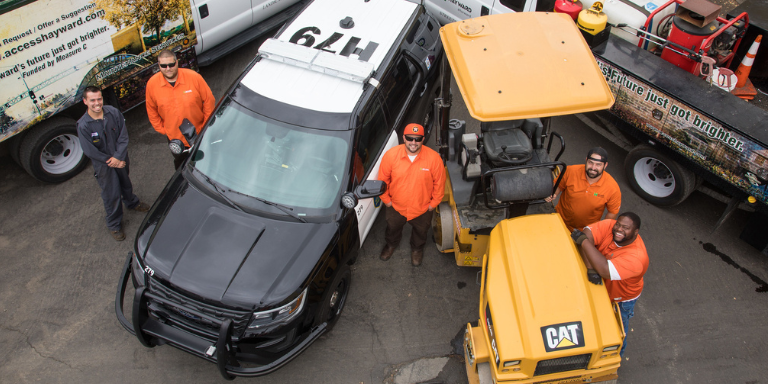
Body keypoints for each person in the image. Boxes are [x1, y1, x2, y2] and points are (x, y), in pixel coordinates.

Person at [76, 86, 150, 241]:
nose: (97, 103)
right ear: (85, 101)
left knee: (125, 183)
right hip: (104, 166)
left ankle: (131, 203)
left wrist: (118, 157)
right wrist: (112, 161)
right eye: (92, 100)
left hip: (121, 158)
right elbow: (90, 151)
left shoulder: (113, 113)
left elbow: (123, 136)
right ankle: (114, 224)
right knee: (111, 194)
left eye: (99, 99)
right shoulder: (83, 125)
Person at [571, 212, 649, 358]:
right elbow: (587, 233)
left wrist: (584, 242)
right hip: (603, 286)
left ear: (636, 232)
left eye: (625, 228)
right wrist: (590, 268)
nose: (619, 229)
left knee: (617, 331)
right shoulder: (611, 226)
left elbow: (605, 270)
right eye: (618, 224)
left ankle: (617, 356)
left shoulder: (636, 258)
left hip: (621, 298)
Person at [378, 123, 445, 266]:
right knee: (392, 228)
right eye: (410, 138)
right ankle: (391, 245)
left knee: (421, 231)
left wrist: (433, 205)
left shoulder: (434, 159)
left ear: (423, 139)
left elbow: (439, 185)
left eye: (417, 139)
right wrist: (387, 201)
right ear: (404, 138)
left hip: (422, 208)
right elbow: (382, 181)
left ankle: (417, 249)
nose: (413, 142)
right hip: (395, 206)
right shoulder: (391, 156)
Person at [146, 49, 215, 169]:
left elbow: (209, 100)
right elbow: (151, 109)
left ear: (177, 62)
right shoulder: (152, 84)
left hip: (199, 134)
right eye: (163, 66)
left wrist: (205, 125)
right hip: (175, 140)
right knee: (181, 165)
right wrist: (163, 130)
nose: (168, 68)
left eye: (171, 64)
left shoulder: (194, 77)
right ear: (159, 66)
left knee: (204, 162)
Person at [546, 147, 621, 232]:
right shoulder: (570, 171)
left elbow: (612, 212)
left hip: (585, 231)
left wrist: (601, 230)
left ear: (605, 165)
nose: (593, 168)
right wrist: (553, 193)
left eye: (598, 164)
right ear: (586, 160)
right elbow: (558, 185)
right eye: (590, 163)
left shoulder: (613, 188)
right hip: (559, 220)